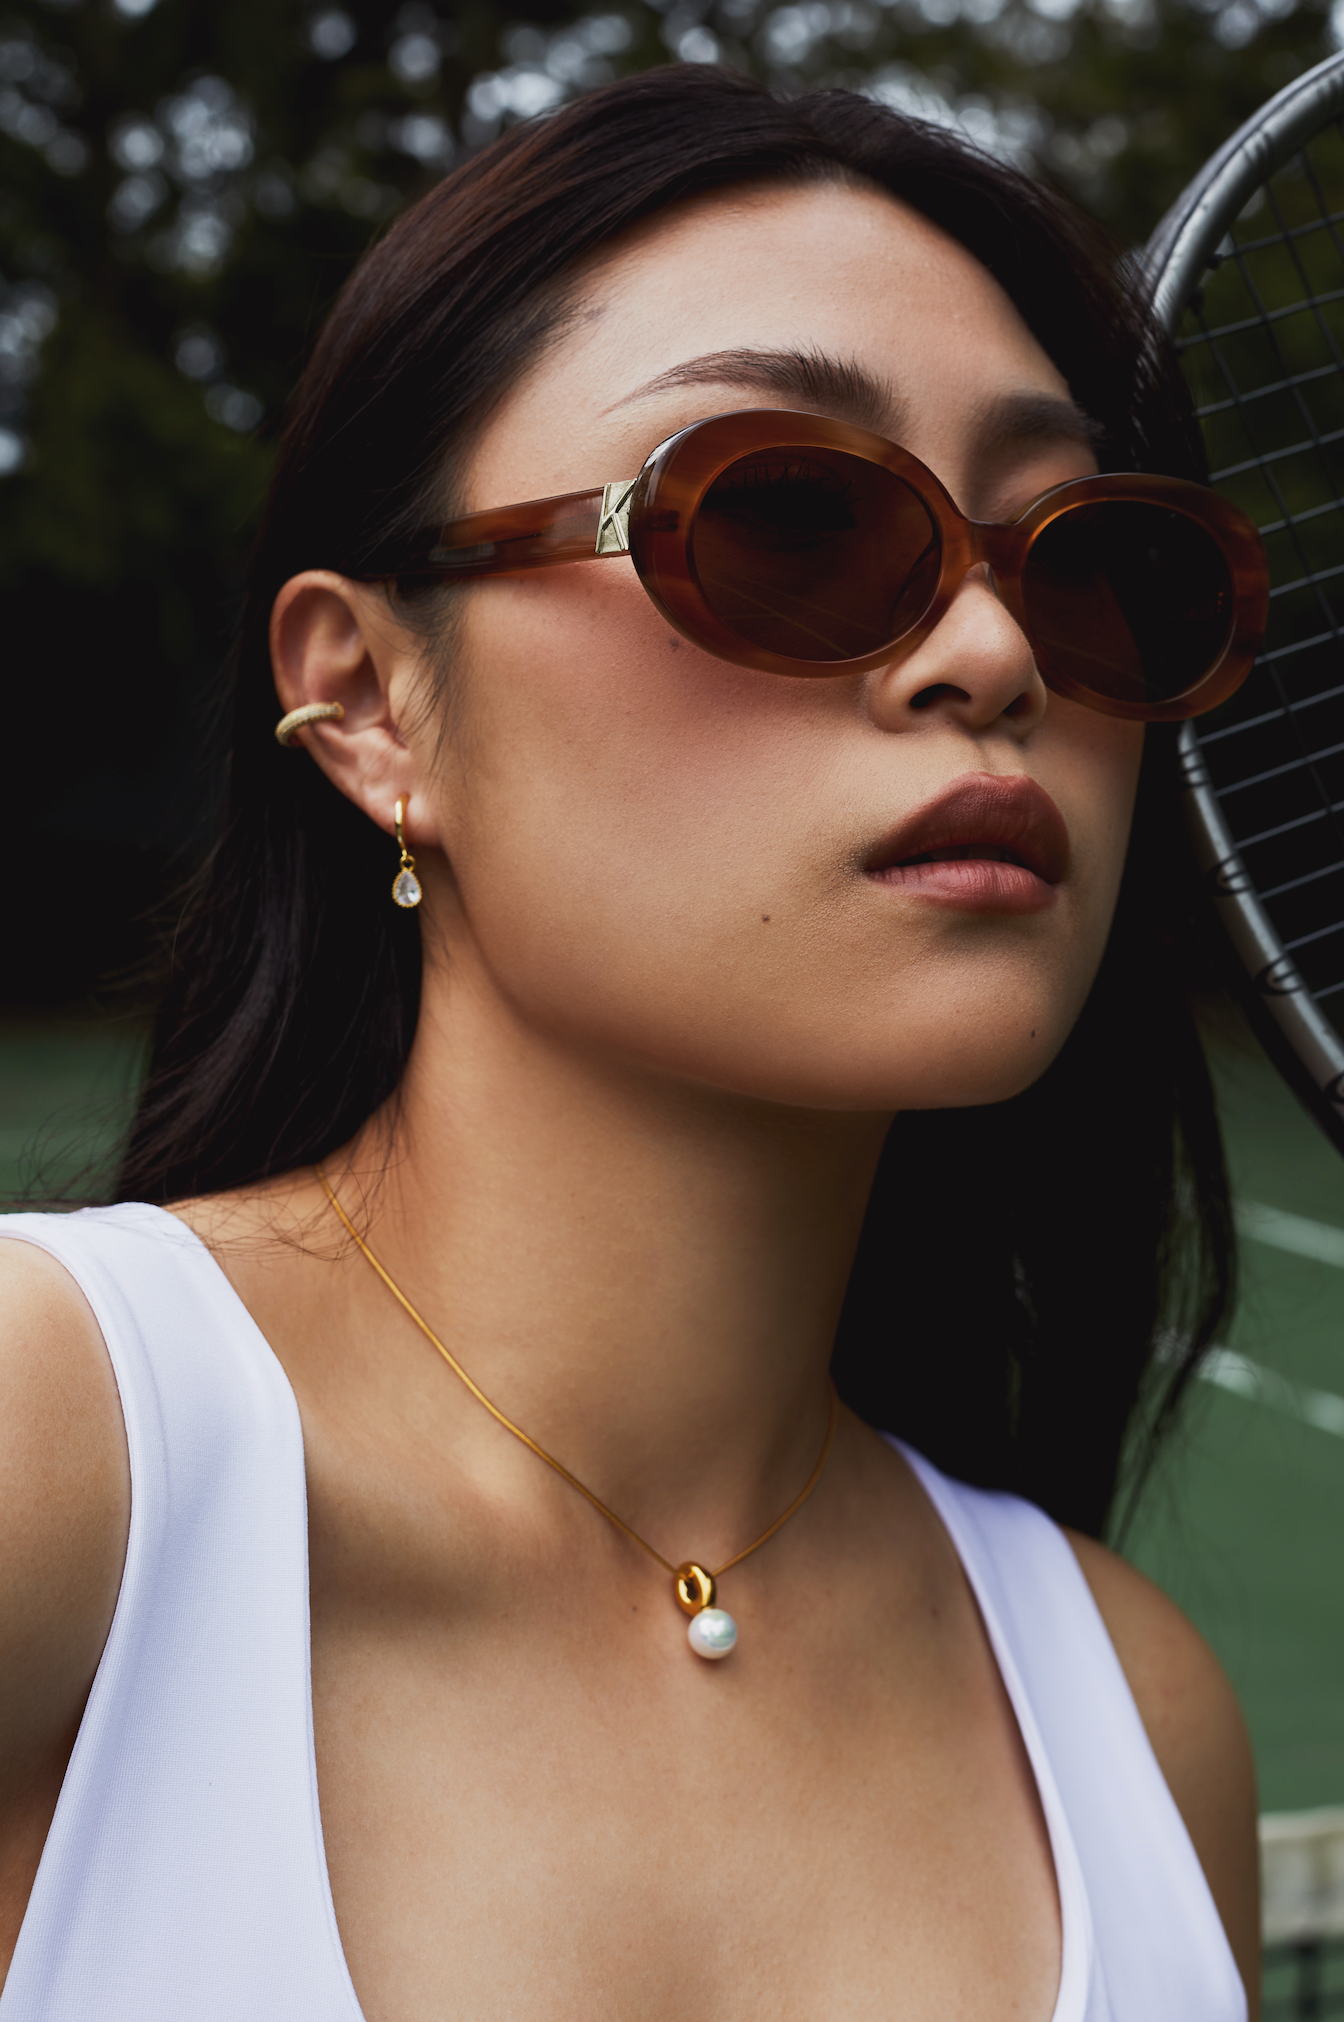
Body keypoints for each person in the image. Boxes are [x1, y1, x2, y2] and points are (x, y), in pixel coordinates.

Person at [0, 64, 1263, 2022]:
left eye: (1087, 563)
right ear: (371, 705)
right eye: (786, 518)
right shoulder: (50, 1456)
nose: (998, 654)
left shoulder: (1139, 1721)